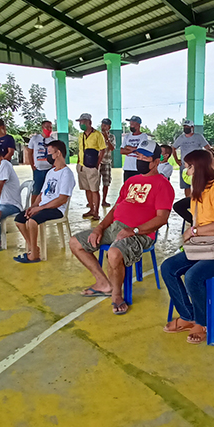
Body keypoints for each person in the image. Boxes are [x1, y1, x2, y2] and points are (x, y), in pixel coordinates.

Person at [70, 140, 173, 315]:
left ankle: (117, 295)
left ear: (156, 162)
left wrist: (134, 230)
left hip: (141, 234)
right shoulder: (131, 181)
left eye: (145, 157)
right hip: (115, 227)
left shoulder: (163, 185)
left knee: (114, 253)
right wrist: (100, 227)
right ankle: (103, 283)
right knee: (75, 242)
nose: (140, 159)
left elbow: (162, 219)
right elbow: (116, 207)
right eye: (138, 156)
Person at [162, 150, 214, 343]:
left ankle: (203, 322)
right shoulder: (198, 189)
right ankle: (187, 316)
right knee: (168, 267)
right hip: (205, 247)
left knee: (194, 276)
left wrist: (193, 232)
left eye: (188, 166)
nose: (186, 169)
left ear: (198, 168)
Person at [13, 140, 75, 263]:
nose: (48, 156)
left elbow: (62, 199)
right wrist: (33, 206)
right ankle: (33, 247)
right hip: (43, 207)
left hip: (56, 209)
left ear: (58, 153)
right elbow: (42, 194)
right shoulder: (51, 172)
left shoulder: (66, 173)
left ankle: (34, 255)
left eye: (50, 153)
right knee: (19, 220)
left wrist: (40, 208)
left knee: (32, 221)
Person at [173, 146, 214, 225]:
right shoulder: (201, 170)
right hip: (200, 197)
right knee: (178, 206)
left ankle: (201, 224)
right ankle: (195, 222)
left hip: (211, 199)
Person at [76, 113, 107, 221]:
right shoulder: (81, 136)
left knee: (94, 190)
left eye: (83, 122)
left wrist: (97, 164)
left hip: (92, 166)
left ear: (89, 122)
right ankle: (91, 209)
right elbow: (80, 150)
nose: (81, 124)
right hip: (81, 166)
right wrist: (78, 163)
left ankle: (96, 212)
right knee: (87, 189)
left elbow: (102, 149)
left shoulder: (98, 134)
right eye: (80, 122)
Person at [171, 120, 210, 196]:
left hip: (197, 164)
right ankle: (188, 201)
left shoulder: (198, 137)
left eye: (188, 127)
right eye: (185, 127)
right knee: (186, 185)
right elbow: (173, 148)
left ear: (192, 127)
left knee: (198, 184)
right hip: (185, 165)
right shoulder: (181, 138)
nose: (186, 128)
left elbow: (207, 147)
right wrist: (176, 160)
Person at [26, 120, 54, 207]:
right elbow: (29, 152)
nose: (49, 129)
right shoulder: (34, 139)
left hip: (49, 168)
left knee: (49, 190)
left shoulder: (53, 140)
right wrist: (32, 165)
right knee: (36, 190)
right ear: (42, 128)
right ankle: (33, 207)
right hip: (38, 169)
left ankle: (46, 207)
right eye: (47, 127)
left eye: (50, 127)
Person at [120, 115, 149, 182]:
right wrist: (135, 149)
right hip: (128, 168)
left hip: (138, 168)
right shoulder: (127, 136)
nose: (131, 125)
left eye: (133, 124)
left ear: (138, 125)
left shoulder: (143, 136)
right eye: (130, 124)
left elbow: (141, 151)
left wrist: (128, 148)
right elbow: (122, 151)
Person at [99, 118, 116, 208]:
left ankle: (104, 200)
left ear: (109, 127)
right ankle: (94, 200)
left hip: (106, 162)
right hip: (97, 162)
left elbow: (112, 148)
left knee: (106, 182)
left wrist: (106, 139)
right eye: (102, 124)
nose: (103, 126)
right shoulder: (97, 135)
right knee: (95, 183)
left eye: (105, 125)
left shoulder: (112, 137)